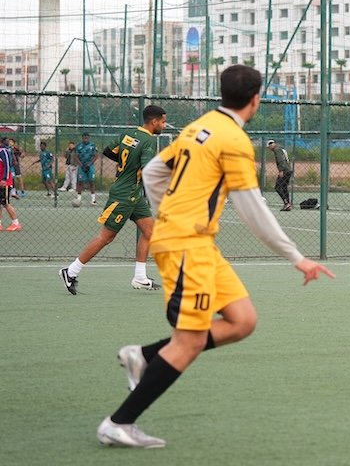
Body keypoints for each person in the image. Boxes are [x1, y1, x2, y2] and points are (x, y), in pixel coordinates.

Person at [95, 64, 334, 449]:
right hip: (185, 245)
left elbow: (154, 172)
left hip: (199, 244)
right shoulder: (234, 140)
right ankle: (118, 423)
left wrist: (167, 211)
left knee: (242, 320)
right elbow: (253, 209)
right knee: (188, 343)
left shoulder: (199, 126)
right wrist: (297, 257)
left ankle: (142, 356)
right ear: (255, 99)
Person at [60, 106, 169, 295]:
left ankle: (140, 277)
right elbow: (148, 170)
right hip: (124, 195)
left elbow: (108, 151)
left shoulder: (128, 134)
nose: (164, 125)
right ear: (154, 122)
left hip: (134, 194)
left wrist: (127, 166)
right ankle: (70, 271)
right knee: (106, 237)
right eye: (163, 122)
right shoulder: (149, 140)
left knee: (150, 231)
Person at [0, 137, 21, 231]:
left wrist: (4, 179)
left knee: (5, 203)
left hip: (4, 182)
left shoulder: (3, 151)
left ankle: (16, 223)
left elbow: (7, 165)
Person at [266, 139, 293, 211]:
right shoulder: (281, 148)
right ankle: (288, 204)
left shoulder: (277, 150)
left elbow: (280, 160)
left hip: (284, 170)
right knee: (284, 187)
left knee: (277, 187)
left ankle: (286, 203)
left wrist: (281, 170)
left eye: (269, 147)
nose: (269, 149)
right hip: (288, 169)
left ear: (272, 144)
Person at [75, 132, 99, 206]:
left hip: (90, 166)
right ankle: (78, 199)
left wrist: (89, 164)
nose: (85, 139)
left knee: (92, 182)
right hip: (81, 166)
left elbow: (96, 156)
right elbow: (76, 156)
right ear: (82, 138)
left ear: (89, 138)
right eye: (84, 137)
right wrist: (81, 165)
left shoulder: (93, 145)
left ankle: (93, 200)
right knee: (80, 182)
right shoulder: (79, 146)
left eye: (87, 137)